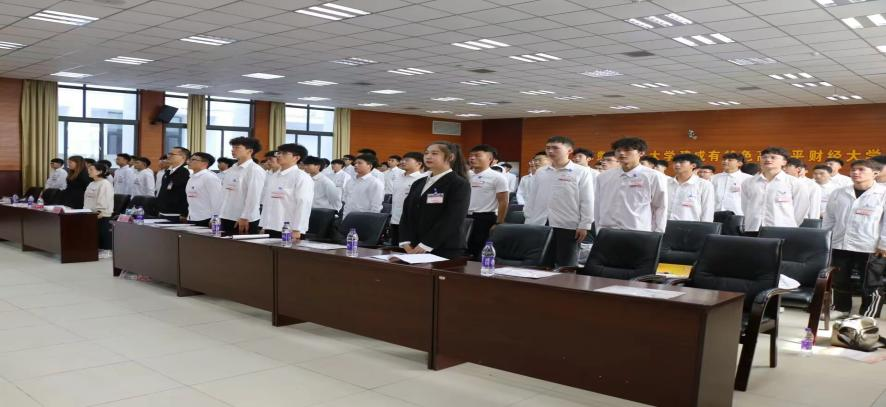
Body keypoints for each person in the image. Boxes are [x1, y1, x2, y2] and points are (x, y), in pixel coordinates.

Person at [823, 159, 886, 318]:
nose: (856, 173)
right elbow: (829, 218)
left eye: (861, 169)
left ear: (875, 173)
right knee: (839, 278)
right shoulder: (839, 192)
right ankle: (840, 308)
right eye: (853, 170)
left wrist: (884, 244)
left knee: (871, 281)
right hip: (840, 243)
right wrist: (826, 239)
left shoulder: (883, 193)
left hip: (871, 246)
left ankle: (868, 314)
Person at [524, 136, 595, 267]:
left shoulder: (581, 172)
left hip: (568, 225)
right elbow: (532, 197)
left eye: (555, 148)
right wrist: (528, 219)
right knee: (541, 264)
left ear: (569, 150)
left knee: (566, 266)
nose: (550, 151)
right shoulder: (541, 172)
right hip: (540, 223)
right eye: (548, 148)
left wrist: (585, 224)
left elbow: (587, 200)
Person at [398, 141, 471, 259]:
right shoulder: (418, 183)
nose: (428, 156)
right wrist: (405, 241)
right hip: (413, 246)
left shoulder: (458, 183)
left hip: (443, 247)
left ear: (450, 157)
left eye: (434, 153)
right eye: (426, 153)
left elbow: (453, 218)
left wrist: (426, 245)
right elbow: (406, 213)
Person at [595, 137, 668, 233]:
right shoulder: (604, 176)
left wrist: (658, 232)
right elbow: (598, 205)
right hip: (607, 230)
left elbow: (660, 206)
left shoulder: (653, 176)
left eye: (627, 150)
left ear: (641, 153)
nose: (621, 153)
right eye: (618, 150)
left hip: (638, 231)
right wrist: (598, 229)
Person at [740, 147, 803, 235]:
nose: (768, 159)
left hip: (783, 229)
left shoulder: (794, 182)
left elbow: (800, 209)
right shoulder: (748, 182)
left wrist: (789, 224)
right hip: (753, 228)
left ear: (784, 162)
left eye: (773, 157)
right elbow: (745, 206)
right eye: (764, 157)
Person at [259, 144, 314, 239]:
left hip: (290, 229)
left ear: (296, 158)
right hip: (271, 226)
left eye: (284, 153)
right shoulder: (274, 176)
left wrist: (297, 229)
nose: (279, 155)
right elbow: (268, 202)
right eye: (278, 153)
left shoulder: (302, 177)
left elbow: (303, 204)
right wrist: (264, 225)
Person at [466, 144, 511, 259]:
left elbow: (503, 201)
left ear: (490, 159)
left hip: (484, 218)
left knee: (479, 251)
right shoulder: (466, 175)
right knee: (464, 250)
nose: (472, 158)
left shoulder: (497, 177)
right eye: (471, 156)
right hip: (465, 217)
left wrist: (499, 223)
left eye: (477, 155)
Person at [219, 137, 267, 234]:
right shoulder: (232, 168)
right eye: (232, 147)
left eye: (237, 147)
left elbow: (254, 196)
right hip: (227, 216)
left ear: (250, 151)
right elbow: (224, 194)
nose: (233, 150)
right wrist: (218, 214)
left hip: (244, 219)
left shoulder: (254, 170)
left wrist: (245, 216)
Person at [390, 152, 426, 245]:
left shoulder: (422, 179)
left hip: (410, 221)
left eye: (407, 160)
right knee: (394, 247)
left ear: (419, 163)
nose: (403, 162)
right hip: (395, 218)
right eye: (402, 160)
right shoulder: (398, 177)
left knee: (408, 248)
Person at [668, 153, 714, 222]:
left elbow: (707, 209)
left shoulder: (704, 184)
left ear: (693, 165)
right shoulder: (666, 182)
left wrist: (705, 227)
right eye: (675, 162)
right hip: (664, 224)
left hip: (690, 225)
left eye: (681, 162)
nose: (677, 164)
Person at [83, 162, 114, 259]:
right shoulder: (91, 183)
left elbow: (104, 199)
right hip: (90, 212)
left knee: (103, 232)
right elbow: (87, 198)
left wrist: (100, 211)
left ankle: (107, 251)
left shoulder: (105, 184)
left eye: (91, 169)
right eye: (88, 169)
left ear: (99, 171)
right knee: (94, 232)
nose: (89, 171)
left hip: (102, 213)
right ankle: (98, 248)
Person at [184, 152, 223, 227]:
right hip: (192, 217)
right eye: (190, 159)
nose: (188, 162)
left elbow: (218, 200)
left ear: (205, 163)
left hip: (206, 219)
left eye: (193, 159)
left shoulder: (210, 177)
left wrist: (215, 218)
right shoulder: (191, 178)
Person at [341, 154, 384, 218]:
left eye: (359, 163)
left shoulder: (375, 183)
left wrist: (370, 220)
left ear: (369, 166)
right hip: (347, 216)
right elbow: (346, 200)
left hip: (364, 218)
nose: (355, 165)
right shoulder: (350, 181)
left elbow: (376, 207)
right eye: (355, 163)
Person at [156, 147, 191, 221]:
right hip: (163, 211)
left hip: (176, 213)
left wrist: (184, 213)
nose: (168, 156)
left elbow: (185, 194)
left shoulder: (184, 172)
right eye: (169, 154)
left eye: (172, 154)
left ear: (182, 157)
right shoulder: (168, 171)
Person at [784, 158, 822, 224]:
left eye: (787, 166)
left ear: (798, 169)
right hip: (781, 220)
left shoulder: (811, 185)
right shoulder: (780, 182)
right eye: (782, 167)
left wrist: (812, 224)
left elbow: (814, 207)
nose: (784, 169)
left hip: (803, 221)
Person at [521, 151, 550, 217]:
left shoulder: (557, 176)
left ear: (549, 160)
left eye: (539, 160)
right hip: (533, 215)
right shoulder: (535, 177)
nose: (536, 162)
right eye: (535, 160)